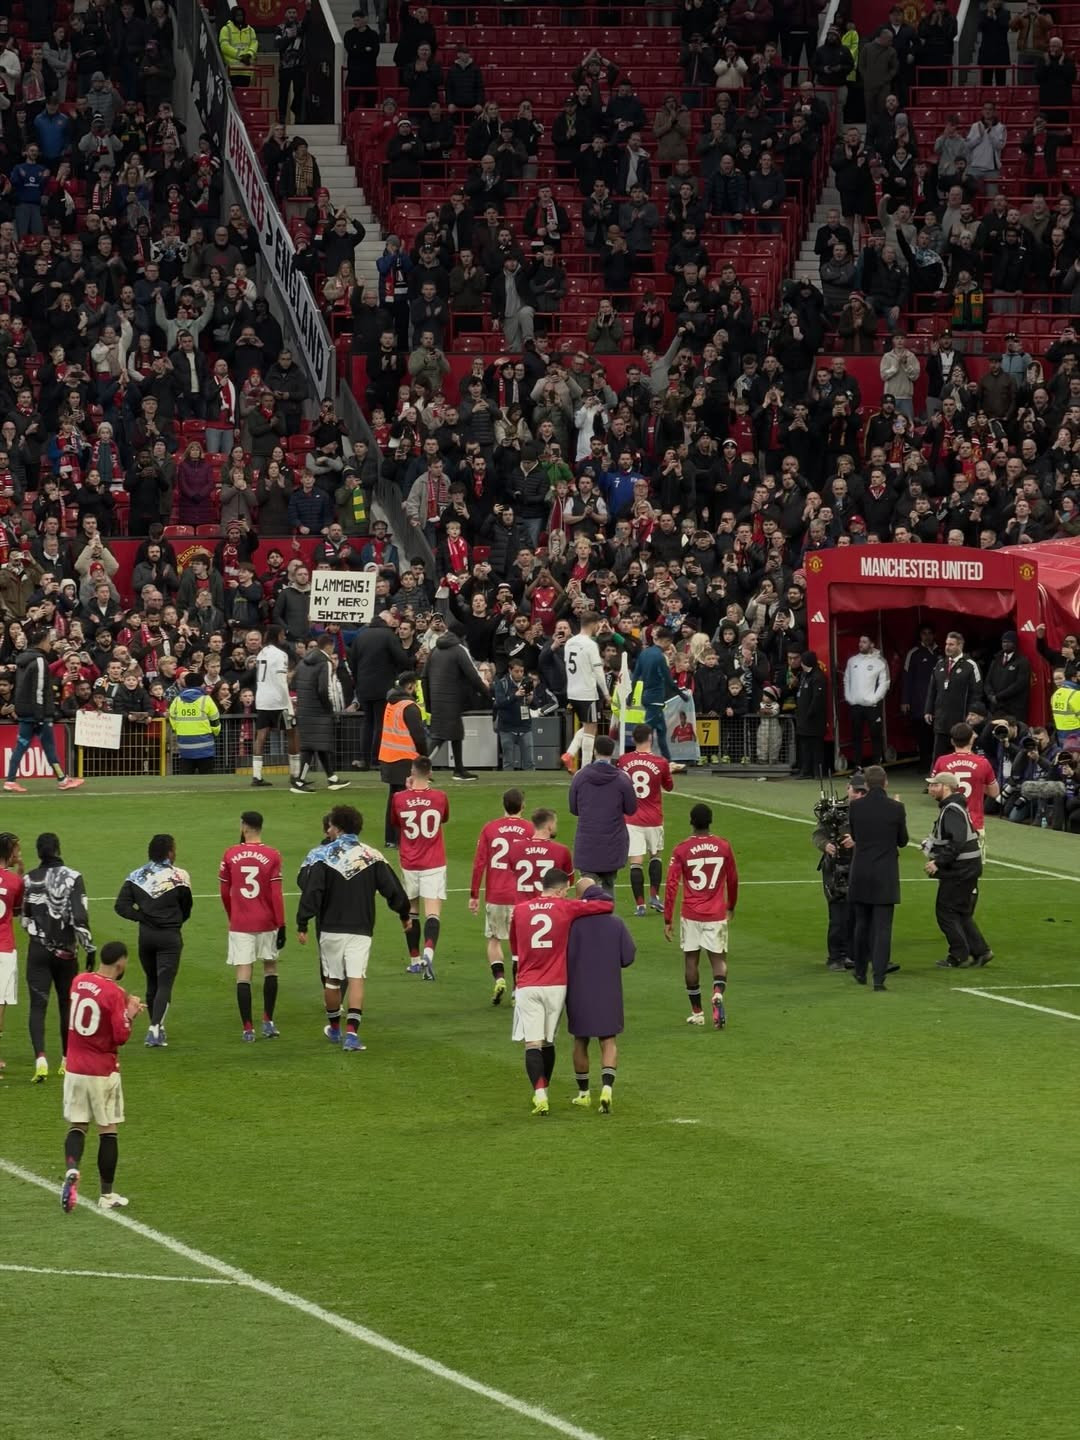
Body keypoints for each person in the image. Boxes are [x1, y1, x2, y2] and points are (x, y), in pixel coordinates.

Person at [296, 804, 411, 1051]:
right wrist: (403, 913)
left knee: (333, 980)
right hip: (361, 927)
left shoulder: (321, 855)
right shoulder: (372, 855)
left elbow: (311, 889)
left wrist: (302, 921)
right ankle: (352, 1035)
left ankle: (334, 1028)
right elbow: (393, 889)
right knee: (357, 978)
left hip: (330, 927)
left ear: (335, 827)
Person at [509, 870, 613, 1116]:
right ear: (558, 890)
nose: (566, 893)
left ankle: (540, 1093)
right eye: (565, 890)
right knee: (548, 1041)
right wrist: (586, 893)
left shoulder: (520, 910)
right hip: (556, 984)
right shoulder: (565, 907)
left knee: (531, 1043)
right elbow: (607, 905)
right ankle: (545, 1088)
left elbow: (514, 948)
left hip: (528, 984)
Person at [60, 940, 143, 1214]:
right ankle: (106, 1194)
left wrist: (122, 1005)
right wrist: (129, 1014)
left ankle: (72, 1168)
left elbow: (94, 1002)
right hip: (102, 1070)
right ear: (120, 964)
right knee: (108, 1130)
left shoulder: (78, 981)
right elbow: (120, 1036)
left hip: (74, 1067)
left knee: (78, 1124)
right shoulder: (114, 993)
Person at [22, 833, 96, 1082]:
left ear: (38, 852)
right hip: (66, 951)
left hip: (37, 949)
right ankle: (66, 1059)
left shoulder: (29, 879)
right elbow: (80, 915)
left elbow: (25, 918)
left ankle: (40, 1058)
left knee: (37, 1005)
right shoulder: (73, 877)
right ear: (58, 849)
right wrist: (89, 948)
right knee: (66, 1004)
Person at [114, 834, 193, 1049]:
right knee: (165, 983)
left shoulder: (136, 876)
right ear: (169, 852)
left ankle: (156, 1027)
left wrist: (143, 917)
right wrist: (173, 922)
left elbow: (121, 906)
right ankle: (154, 1028)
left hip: (146, 936)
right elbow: (187, 907)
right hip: (169, 936)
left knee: (152, 981)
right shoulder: (179, 876)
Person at [664, 802, 739, 1029]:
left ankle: (697, 1012)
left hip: (691, 913)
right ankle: (717, 992)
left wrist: (668, 918)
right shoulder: (724, 846)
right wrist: (731, 905)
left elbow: (671, 885)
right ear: (710, 821)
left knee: (691, 961)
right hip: (716, 913)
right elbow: (733, 879)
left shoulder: (681, 849)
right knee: (719, 960)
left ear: (691, 821)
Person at [566, 878, 635, 1114]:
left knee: (580, 1040)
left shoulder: (571, 925)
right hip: (608, 989)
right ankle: (607, 1088)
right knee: (608, 1040)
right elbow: (628, 957)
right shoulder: (616, 923)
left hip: (579, 989)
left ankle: (584, 1093)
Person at [219, 812, 285, 1042]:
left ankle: (248, 1028)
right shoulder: (272, 854)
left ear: (243, 826)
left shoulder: (230, 854)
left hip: (241, 923)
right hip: (267, 921)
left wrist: (233, 914)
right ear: (261, 827)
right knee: (270, 968)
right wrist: (282, 923)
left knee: (243, 974)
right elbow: (276, 894)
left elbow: (224, 893)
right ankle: (268, 1021)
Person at [843, 765, 908, 991]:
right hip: (885, 874)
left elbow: (857, 835)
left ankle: (860, 971)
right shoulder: (896, 808)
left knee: (861, 924)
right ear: (886, 783)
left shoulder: (856, 807)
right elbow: (903, 840)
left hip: (860, 871)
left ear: (867, 785)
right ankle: (879, 978)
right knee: (882, 928)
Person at [469, 787, 532, 1005]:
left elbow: (479, 863)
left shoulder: (490, 828)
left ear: (503, 805)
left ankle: (499, 978)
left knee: (494, 940)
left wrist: (474, 894)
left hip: (496, 895)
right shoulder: (529, 829)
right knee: (521, 944)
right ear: (522, 806)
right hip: (522, 897)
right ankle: (517, 990)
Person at [3, 626, 84, 793]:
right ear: (43, 641)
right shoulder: (39, 660)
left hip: (25, 710)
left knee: (21, 746)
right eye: (49, 640)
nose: (51, 643)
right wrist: (40, 715)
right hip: (37, 713)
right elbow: (39, 689)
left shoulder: (24, 659)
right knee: (49, 746)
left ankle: (10, 780)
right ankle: (62, 780)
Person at [924, 772, 992, 969]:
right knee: (961, 912)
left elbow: (958, 840)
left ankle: (958, 955)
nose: (930, 789)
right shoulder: (954, 807)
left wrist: (938, 862)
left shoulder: (951, 810)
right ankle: (981, 951)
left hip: (961, 868)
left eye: (934, 785)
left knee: (946, 911)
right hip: (968, 866)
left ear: (945, 787)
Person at [390, 756, 449, 980]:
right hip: (434, 862)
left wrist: (408, 791)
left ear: (412, 773)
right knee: (432, 911)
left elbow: (397, 824)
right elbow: (443, 819)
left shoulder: (398, 798)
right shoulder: (440, 797)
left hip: (409, 861)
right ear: (431, 773)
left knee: (411, 910)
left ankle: (414, 961)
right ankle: (428, 953)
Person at [616, 723, 676, 917]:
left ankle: (640, 905)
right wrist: (669, 770)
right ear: (650, 738)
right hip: (654, 818)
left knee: (636, 862)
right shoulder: (661, 762)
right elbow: (669, 787)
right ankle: (654, 897)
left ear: (633, 739)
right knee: (656, 856)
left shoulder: (624, 761)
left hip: (631, 819)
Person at [568, 735, 638, 895]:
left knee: (587, 888)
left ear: (594, 751)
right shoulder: (622, 779)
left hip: (587, 842)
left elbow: (573, 808)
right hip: (612, 843)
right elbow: (631, 809)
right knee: (608, 886)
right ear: (612, 752)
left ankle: (589, 918)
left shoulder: (580, 777)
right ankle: (607, 919)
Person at [812, 774, 864, 972]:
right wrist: (826, 845)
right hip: (836, 868)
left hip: (860, 867)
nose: (858, 795)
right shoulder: (835, 812)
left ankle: (852, 954)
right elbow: (818, 834)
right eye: (855, 790)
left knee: (857, 913)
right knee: (838, 914)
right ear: (847, 788)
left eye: (862, 792)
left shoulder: (870, 811)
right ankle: (836, 956)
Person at [424, 629, 491, 781]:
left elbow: (424, 677)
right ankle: (420, 770)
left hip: (437, 700)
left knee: (455, 735)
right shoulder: (459, 650)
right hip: (452, 700)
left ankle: (458, 769)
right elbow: (472, 674)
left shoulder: (434, 651)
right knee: (440, 737)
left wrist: (429, 703)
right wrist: (487, 693)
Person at [292, 632, 351, 793]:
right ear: (329, 646)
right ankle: (299, 781)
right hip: (318, 710)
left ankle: (332, 778)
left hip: (305, 709)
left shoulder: (304, 662)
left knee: (319, 744)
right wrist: (328, 708)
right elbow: (323, 688)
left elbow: (297, 682)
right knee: (310, 748)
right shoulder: (325, 662)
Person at [929, 722, 999, 856]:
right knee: (973, 866)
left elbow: (933, 791)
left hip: (948, 822)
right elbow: (994, 792)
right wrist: (978, 784)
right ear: (972, 739)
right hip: (975, 824)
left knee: (947, 865)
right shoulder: (982, 763)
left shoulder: (942, 761)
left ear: (952, 741)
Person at [378, 671, 428, 848]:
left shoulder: (391, 703)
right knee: (405, 801)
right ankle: (402, 839)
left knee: (393, 799)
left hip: (388, 757)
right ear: (410, 686)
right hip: (404, 759)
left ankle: (390, 838)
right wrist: (424, 758)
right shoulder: (409, 706)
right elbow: (419, 736)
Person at [252, 625, 301, 787]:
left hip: (263, 700)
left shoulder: (261, 653)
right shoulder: (281, 655)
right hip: (279, 701)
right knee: (292, 733)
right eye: (282, 635)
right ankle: (295, 774)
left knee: (261, 736)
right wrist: (288, 701)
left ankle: (256, 775)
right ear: (278, 635)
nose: (284, 637)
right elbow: (281, 680)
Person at [560, 611, 608, 773]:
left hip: (572, 691)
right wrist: (606, 693)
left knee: (588, 725)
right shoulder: (590, 645)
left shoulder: (569, 642)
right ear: (594, 624)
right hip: (587, 692)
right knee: (591, 728)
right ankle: (585, 767)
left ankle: (569, 754)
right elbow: (598, 671)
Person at [924, 631, 981, 760]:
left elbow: (976, 693)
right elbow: (932, 689)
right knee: (938, 755)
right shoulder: (939, 665)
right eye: (946, 644)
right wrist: (928, 710)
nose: (947, 647)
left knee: (961, 755)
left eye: (951, 644)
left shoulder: (970, 665)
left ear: (960, 645)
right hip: (941, 718)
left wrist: (971, 714)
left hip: (961, 719)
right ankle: (935, 779)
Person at [630, 634, 685, 761]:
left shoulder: (644, 654)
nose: (670, 648)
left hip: (648, 697)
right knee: (647, 731)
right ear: (666, 641)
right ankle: (640, 758)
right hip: (655, 699)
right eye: (669, 644)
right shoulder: (660, 657)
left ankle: (667, 760)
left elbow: (636, 675)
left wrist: (631, 695)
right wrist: (681, 694)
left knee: (661, 730)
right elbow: (669, 680)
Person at [508, 810, 575, 910]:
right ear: (550, 825)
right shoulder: (561, 851)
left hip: (522, 910)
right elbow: (569, 882)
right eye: (555, 823)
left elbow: (513, 873)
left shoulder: (515, 848)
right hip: (550, 910)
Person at [843, 634, 890, 768]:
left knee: (875, 735)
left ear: (872, 644)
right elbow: (846, 679)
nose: (860, 644)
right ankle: (857, 766)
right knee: (856, 737)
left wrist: (874, 699)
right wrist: (849, 697)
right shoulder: (852, 661)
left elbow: (885, 683)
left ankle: (877, 765)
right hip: (856, 705)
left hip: (872, 706)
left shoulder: (880, 661)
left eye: (864, 642)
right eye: (860, 641)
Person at [0, 833, 24, 1074]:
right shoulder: (15, 881)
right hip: (3, 948)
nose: (20, 853)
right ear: (10, 853)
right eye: (18, 849)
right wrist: (21, 871)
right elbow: (17, 910)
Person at [167, 681, 221, 775]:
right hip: (205, 749)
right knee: (207, 780)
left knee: (186, 781)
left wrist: (178, 729)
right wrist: (215, 732)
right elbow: (215, 719)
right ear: (201, 685)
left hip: (185, 748)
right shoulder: (206, 699)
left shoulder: (177, 700)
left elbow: (172, 717)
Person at [795, 650, 828, 778]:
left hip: (814, 720)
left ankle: (818, 772)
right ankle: (805, 771)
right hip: (803, 719)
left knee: (816, 747)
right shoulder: (803, 676)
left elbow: (817, 698)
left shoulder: (818, 677)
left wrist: (810, 712)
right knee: (805, 747)